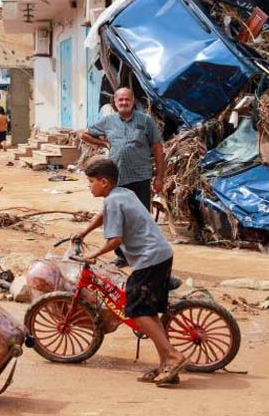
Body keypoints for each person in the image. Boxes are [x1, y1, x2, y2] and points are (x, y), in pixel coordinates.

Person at [74, 158, 186, 386]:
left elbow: (116, 239)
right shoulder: (122, 194)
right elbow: (104, 215)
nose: (90, 186)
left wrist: (93, 255)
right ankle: (166, 363)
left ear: (104, 182)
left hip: (149, 259)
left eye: (91, 182)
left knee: (134, 310)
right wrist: (84, 232)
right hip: (160, 254)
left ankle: (173, 356)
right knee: (149, 311)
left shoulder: (114, 202)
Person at [81, 87, 165, 267]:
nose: (124, 103)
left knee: (140, 217)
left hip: (140, 176)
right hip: (116, 179)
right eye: (121, 100)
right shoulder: (108, 121)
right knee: (115, 217)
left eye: (127, 99)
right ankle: (122, 255)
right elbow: (84, 134)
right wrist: (103, 142)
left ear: (133, 101)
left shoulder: (145, 121)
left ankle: (144, 255)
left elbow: (158, 148)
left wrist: (159, 177)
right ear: (115, 102)